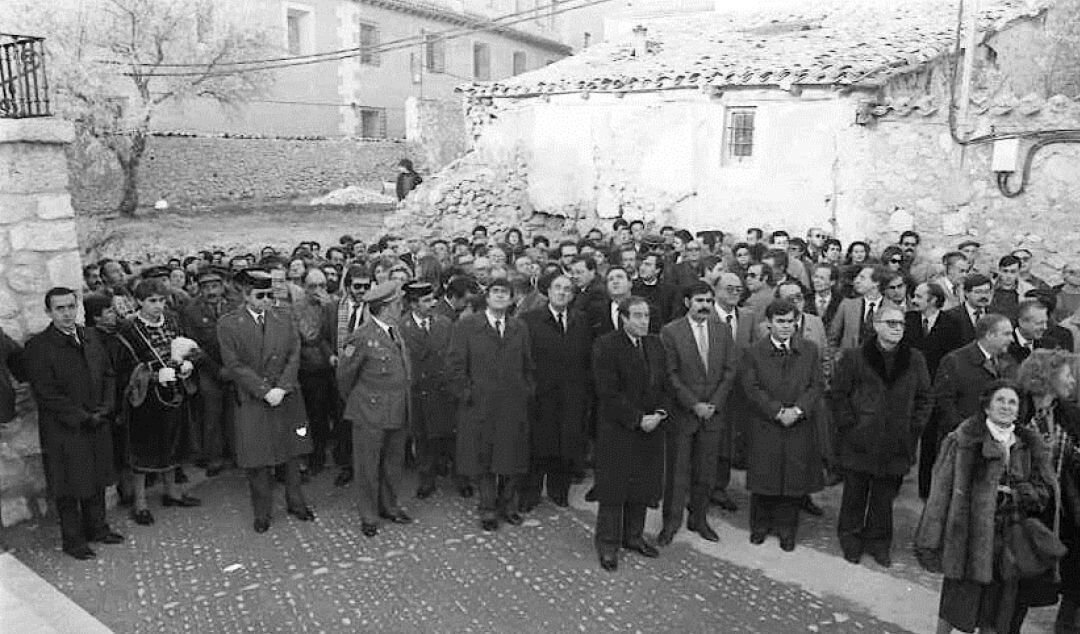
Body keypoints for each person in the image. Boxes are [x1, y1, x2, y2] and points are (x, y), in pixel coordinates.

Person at [915, 381, 1055, 634]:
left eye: (1012, 402)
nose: (1006, 406)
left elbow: (1045, 490)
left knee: (995, 611)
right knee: (955, 606)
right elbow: (940, 493)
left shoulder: (1029, 445)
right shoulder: (963, 440)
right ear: (987, 406)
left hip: (1008, 539)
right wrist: (932, 537)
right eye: (1000, 400)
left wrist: (1023, 493)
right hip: (966, 538)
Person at [25, 287, 123, 560]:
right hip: (65, 428)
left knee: (97, 477)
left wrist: (105, 407)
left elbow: (107, 373)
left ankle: (98, 528)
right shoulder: (38, 347)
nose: (67, 313)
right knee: (69, 484)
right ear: (49, 312)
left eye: (71, 306)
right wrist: (81, 417)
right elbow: (46, 393)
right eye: (60, 308)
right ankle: (74, 540)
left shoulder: (90, 336)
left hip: (97, 420)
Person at [832, 303, 932, 567]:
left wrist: (912, 429)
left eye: (901, 324)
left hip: (896, 442)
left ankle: (878, 542)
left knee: (884, 498)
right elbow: (839, 394)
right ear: (876, 326)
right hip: (860, 440)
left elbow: (924, 397)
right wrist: (850, 427)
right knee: (855, 494)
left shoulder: (914, 359)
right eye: (891, 323)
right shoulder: (855, 357)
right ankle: (850, 539)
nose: (897, 328)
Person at [218, 269, 314, 533]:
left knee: (292, 453)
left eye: (270, 295)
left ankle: (296, 502)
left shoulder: (284, 318)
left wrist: (282, 387)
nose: (266, 301)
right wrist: (264, 390)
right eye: (260, 296)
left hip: (286, 396)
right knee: (258, 459)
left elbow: (294, 354)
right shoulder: (228, 324)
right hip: (253, 398)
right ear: (246, 296)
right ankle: (262, 512)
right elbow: (234, 365)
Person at [446, 277, 535, 532]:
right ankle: (487, 508)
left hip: (512, 405)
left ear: (512, 298)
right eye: (495, 291)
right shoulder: (467, 326)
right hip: (480, 406)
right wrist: (467, 395)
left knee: (511, 458)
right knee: (483, 459)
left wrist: (526, 391)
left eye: (504, 293)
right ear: (486, 297)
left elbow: (528, 365)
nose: (499, 296)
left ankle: (508, 505)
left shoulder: (519, 327)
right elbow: (454, 366)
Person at [592, 296, 669, 571]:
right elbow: (607, 392)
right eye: (637, 316)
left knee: (641, 486)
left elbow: (665, 384)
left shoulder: (655, 344)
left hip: (651, 429)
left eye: (646, 316)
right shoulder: (607, 345)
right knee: (615, 489)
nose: (643, 321)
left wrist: (659, 414)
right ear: (624, 318)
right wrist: (637, 419)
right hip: (619, 429)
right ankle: (608, 543)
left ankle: (633, 536)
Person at [114, 279, 199, 526]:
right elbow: (124, 369)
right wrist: (151, 376)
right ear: (139, 301)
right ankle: (140, 503)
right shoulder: (129, 330)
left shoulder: (172, 320)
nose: (158, 306)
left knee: (173, 440)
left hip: (173, 391)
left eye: (161, 300)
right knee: (144, 449)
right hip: (145, 399)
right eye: (152, 301)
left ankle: (172, 492)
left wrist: (186, 364)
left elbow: (187, 348)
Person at [741, 299, 825, 551]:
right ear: (769, 323)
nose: (786, 327)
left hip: (798, 424)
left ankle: (787, 529)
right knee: (764, 476)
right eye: (780, 321)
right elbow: (751, 388)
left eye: (791, 321)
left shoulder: (809, 350)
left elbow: (816, 385)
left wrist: (798, 410)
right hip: (766, 423)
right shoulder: (754, 352)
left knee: (793, 479)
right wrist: (777, 411)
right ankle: (760, 526)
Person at [658, 282, 737, 545]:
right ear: (686, 302)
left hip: (713, 414)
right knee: (677, 472)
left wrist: (713, 403)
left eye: (708, 300)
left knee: (706, 471)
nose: (704, 305)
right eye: (699, 300)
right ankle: (670, 522)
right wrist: (694, 404)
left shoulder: (722, 330)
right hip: (684, 413)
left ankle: (699, 519)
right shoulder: (670, 332)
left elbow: (729, 371)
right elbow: (670, 374)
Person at [336, 281, 413, 538]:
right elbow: (345, 376)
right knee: (367, 466)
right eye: (397, 304)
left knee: (393, 463)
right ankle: (368, 515)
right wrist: (361, 402)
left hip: (397, 408)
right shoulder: (360, 337)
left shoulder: (396, 331)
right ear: (386, 307)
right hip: (370, 411)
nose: (401, 307)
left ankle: (389, 506)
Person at [1015, 350, 1080, 631]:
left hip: (1065, 511)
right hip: (1027, 512)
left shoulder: (1069, 414)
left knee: (1073, 577)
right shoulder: (1016, 408)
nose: (1073, 381)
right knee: (1020, 586)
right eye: (1067, 375)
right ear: (1048, 377)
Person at [520, 273, 593, 510]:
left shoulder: (581, 320)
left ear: (572, 295)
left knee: (566, 446)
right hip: (541, 396)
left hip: (572, 395)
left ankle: (558, 491)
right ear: (548, 292)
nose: (562, 292)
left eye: (567, 289)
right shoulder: (530, 320)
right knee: (538, 448)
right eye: (557, 288)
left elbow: (586, 358)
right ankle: (530, 494)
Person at [397, 281, 462, 499]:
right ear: (413, 304)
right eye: (426, 301)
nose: (432, 304)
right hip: (419, 391)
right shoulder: (401, 328)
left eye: (432, 299)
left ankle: (460, 478)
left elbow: (454, 355)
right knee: (423, 438)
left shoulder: (445, 323)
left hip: (444, 391)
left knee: (451, 437)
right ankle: (427, 478)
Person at [903, 281, 963, 500]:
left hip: (935, 391)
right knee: (903, 436)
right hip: (909, 389)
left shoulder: (951, 324)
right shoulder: (908, 320)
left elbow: (952, 360)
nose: (914, 300)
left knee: (929, 441)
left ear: (934, 301)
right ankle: (895, 479)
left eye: (919, 296)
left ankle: (925, 489)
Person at [179, 265, 235, 476]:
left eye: (215, 286)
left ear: (223, 286)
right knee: (211, 413)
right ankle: (214, 457)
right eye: (206, 287)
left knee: (235, 411)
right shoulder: (191, 311)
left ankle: (237, 453)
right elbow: (192, 347)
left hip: (234, 367)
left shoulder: (235, 306)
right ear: (199, 289)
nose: (211, 292)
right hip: (207, 369)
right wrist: (216, 370)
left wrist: (233, 368)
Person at [934, 313, 1018, 442]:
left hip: (997, 442)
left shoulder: (1008, 362)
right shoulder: (955, 361)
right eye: (1006, 334)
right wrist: (966, 432)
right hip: (962, 444)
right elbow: (944, 403)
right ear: (990, 335)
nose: (1012, 339)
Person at [330, 264, 372, 487]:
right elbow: (325, 336)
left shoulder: (373, 310)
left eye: (366, 286)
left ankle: (363, 465)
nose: (362, 291)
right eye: (358, 286)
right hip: (341, 374)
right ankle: (346, 465)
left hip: (365, 375)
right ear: (348, 287)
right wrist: (331, 355)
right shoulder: (335, 308)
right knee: (343, 422)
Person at [294, 268, 336, 476]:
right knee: (315, 415)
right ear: (304, 287)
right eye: (312, 286)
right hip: (310, 369)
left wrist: (329, 309)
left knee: (335, 412)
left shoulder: (333, 305)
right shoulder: (297, 308)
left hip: (331, 367)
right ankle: (316, 457)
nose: (318, 290)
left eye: (322, 286)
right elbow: (310, 337)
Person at [829, 265, 887, 351]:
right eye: (857, 277)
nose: (856, 281)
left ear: (876, 282)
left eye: (862, 278)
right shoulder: (847, 305)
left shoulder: (893, 308)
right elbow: (833, 338)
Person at [943, 273, 995, 346]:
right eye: (978, 292)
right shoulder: (950, 317)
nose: (983, 296)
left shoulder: (995, 315)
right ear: (966, 293)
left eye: (986, 292)